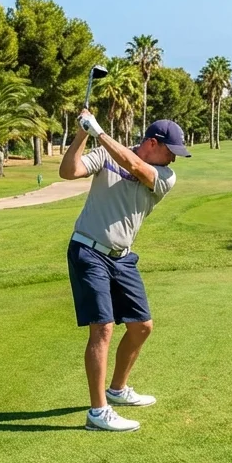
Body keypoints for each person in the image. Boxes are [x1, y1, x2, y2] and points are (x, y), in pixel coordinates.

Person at [60, 109, 190, 432]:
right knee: (102, 328)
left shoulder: (165, 176)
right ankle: (98, 412)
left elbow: (134, 166)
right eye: (171, 151)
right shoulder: (105, 155)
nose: (174, 159)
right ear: (153, 143)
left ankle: (117, 389)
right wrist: (82, 134)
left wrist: (99, 132)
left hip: (122, 258)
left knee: (142, 327)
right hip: (88, 250)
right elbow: (69, 171)